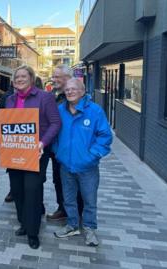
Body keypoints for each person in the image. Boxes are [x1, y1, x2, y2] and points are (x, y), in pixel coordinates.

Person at [5, 65, 61, 249]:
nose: (20, 79)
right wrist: (2, 139)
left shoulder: (45, 97)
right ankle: (24, 222)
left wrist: (42, 143)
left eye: (23, 76)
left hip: (36, 153)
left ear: (31, 78)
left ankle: (33, 231)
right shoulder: (10, 99)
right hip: (14, 153)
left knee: (32, 190)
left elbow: (55, 123)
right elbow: (8, 125)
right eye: (17, 76)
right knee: (17, 190)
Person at [53, 78, 112, 246]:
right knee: (69, 199)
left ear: (82, 91)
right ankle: (72, 225)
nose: (69, 92)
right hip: (66, 165)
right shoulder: (60, 110)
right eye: (67, 89)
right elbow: (55, 133)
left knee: (89, 201)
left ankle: (90, 229)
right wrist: (58, 152)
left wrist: (92, 156)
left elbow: (105, 136)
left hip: (88, 168)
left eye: (74, 89)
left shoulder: (94, 111)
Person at [46, 65, 84, 221]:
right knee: (58, 179)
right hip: (57, 149)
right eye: (53, 76)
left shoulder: (76, 97)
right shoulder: (54, 96)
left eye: (57, 77)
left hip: (75, 150)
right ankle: (63, 208)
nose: (53, 80)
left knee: (76, 181)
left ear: (68, 78)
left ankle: (78, 212)